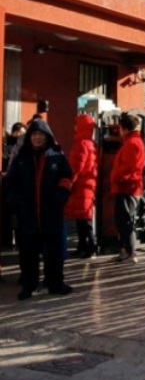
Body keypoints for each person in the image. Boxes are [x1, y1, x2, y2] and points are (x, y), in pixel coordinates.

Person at [4, 118, 73, 300]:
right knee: (28, 254)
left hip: (51, 213)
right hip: (27, 214)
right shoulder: (21, 157)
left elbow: (67, 178)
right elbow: (11, 182)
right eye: (34, 134)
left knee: (54, 253)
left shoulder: (57, 156)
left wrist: (60, 197)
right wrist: (16, 202)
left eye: (41, 135)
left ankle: (55, 283)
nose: (37, 138)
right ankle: (29, 285)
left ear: (47, 136)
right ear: (29, 137)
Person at [110, 113, 145, 264]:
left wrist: (117, 177)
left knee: (125, 221)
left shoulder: (131, 144)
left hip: (126, 187)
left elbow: (128, 168)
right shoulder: (134, 142)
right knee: (124, 221)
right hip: (129, 187)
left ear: (124, 128)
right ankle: (125, 251)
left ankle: (130, 252)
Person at [65, 114, 98, 259]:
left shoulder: (81, 144)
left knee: (84, 219)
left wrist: (68, 182)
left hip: (81, 186)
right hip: (87, 184)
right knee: (82, 218)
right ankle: (84, 246)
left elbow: (75, 167)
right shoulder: (91, 143)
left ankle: (90, 246)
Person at [1, 122, 27, 248]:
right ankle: (7, 241)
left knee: (20, 216)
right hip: (8, 185)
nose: (19, 135)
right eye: (18, 132)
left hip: (20, 186)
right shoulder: (7, 146)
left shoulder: (26, 147)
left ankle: (19, 240)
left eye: (22, 133)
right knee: (8, 215)